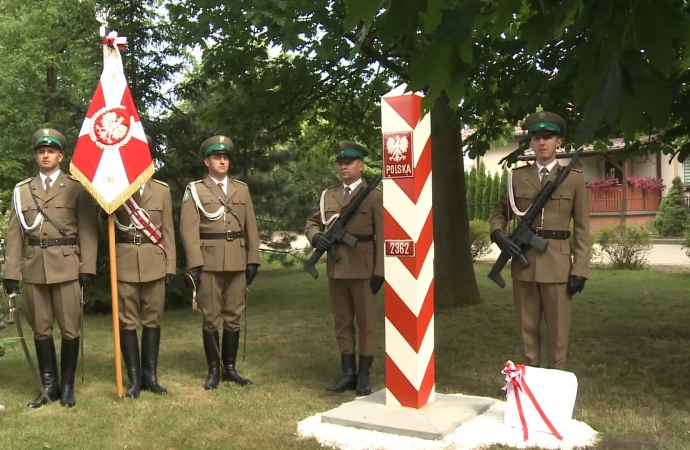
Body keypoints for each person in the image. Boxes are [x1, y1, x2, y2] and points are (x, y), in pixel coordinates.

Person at [3, 128, 98, 408]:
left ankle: (67, 386)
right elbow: (14, 234)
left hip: (67, 266)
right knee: (40, 329)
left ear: (61, 155)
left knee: (70, 328)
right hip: (34, 268)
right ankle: (49, 386)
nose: (46, 155)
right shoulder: (22, 191)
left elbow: (88, 230)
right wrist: (11, 272)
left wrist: (87, 266)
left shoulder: (76, 187)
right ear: (36, 155)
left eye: (51, 151)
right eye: (41, 151)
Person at [489, 111, 591, 370]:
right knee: (527, 333)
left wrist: (579, 269)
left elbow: (582, 230)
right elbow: (501, 212)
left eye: (548, 137)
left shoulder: (573, 178)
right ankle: (530, 386)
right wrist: (498, 234)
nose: (541, 142)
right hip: (524, 267)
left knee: (558, 336)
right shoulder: (517, 176)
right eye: (536, 137)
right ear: (531, 143)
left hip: (557, 266)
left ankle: (553, 388)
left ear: (558, 142)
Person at [180, 135, 260, 390]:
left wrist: (253, 259)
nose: (222, 161)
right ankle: (214, 370)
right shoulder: (196, 190)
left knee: (233, 316)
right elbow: (188, 230)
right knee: (211, 317)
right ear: (207, 161)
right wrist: (195, 263)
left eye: (225, 157)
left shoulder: (241, 189)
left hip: (237, 258)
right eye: (217, 157)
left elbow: (251, 226)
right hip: (209, 260)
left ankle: (231, 368)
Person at [304, 141, 384, 396]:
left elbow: (383, 235)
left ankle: (363, 374)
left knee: (366, 322)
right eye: (340, 163)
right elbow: (312, 222)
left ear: (361, 166)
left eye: (349, 163)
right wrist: (316, 238)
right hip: (337, 268)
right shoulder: (329, 195)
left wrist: (380, 270)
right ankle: (347, 372)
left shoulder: (374, 195)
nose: (343, 167)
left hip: (364, 267)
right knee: (342, 322)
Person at [103, 134, 176, 398]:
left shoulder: (162, 189)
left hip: (155, 261)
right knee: (128, 321)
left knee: (153, 320)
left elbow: (168, 231)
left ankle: (151, 377)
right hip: (125, 261)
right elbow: (105, 230)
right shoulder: (114, 190)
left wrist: (171, 266)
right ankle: (134, 379)